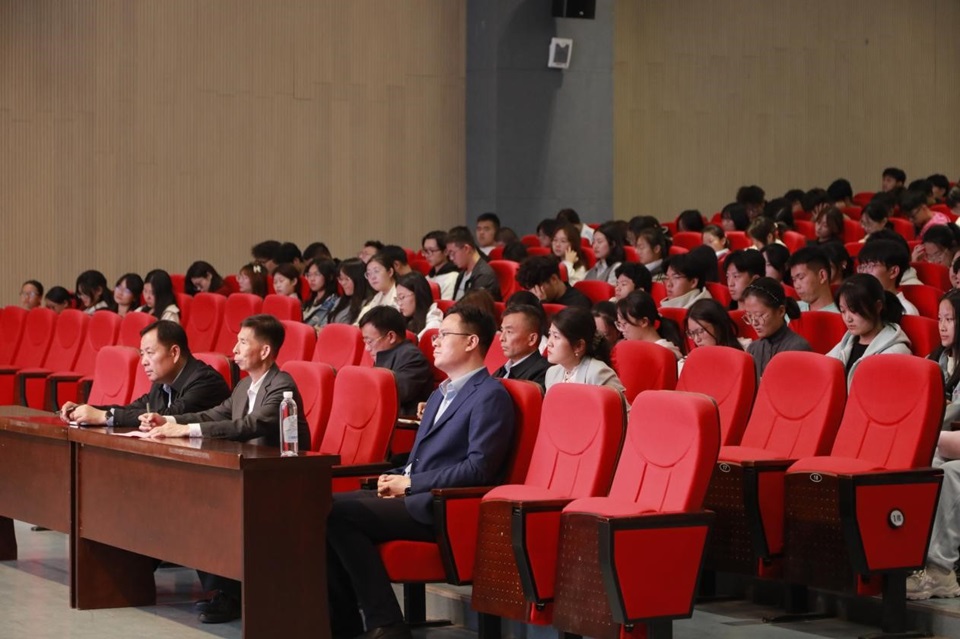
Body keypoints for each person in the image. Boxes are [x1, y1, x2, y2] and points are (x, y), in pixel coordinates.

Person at [325, 304, 515, 639]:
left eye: (444, 335)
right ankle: (343, 627)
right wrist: (396, 475)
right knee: (320, 506)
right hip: (414, 494)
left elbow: (479, 468)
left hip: (441, 507)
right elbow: (421, 459)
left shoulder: (490, 395)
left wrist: (411, 483)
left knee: (339, 514)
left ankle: (387, 623)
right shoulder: (440, 393)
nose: (435, 342)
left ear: (471, 342)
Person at [138, 315, 309, 623]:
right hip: (243, 474)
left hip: (277, 481)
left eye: (243, 342)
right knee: (184, 497)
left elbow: (249, 425)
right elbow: (214, 414)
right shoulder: (244, 386)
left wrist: (187, 431)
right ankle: (223, 589)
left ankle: (229, 594)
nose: (235, 349)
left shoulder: (282, 386)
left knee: (203, 503)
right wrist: (170, 421)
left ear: (265, 351)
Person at [60, 320, 231, 427]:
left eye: (150, 353)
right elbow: (132, 409)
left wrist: (103, 417)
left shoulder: (206, 382)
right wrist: (85, 409)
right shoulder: (162, 383)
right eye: (142, 354)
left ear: (174, 352)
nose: (143, 362)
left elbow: (166, 417)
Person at [907, 290, 960, 600]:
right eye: (939, 318)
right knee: (922, 465)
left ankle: (940, 572)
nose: (941, 326)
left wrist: (928, 434)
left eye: (950, 319)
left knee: (948, 473)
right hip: (944, 443)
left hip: (950, 448)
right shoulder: (936, 360)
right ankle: (905, 561)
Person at [826, 274, 910, 383]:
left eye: (854, 310)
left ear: (877, 307)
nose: (848, 319)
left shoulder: (895, 352)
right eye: (843, 311)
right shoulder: (846, 343)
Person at [359, 306, 434, 416]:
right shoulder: (388, 353)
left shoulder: (413, 358)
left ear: (391, 337)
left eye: (369, 341)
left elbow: (389, 393)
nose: (367, 348)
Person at [544, 307, 625, 393]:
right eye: (549, 334)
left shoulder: (597, 373)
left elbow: (617, 402)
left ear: (578, 346)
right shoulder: (552, 373)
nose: (549, 343)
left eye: (556, 337)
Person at [742, 278, 812, 377]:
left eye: (759, 315)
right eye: (749, 316)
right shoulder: (753, 348)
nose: (754, 322)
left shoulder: (798, 348)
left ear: (781, 311)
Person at [492, 304, 551, 388]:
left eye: (509, 332)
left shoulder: (544, 373)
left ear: (532, 339)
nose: (501, 338)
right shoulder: (503, 369)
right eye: (502, 330)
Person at [616, 290, 686, 360]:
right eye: (619, 324)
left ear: (644, 322)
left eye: (624, 323)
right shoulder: (630, 347)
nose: (621, 330)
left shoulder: (665, 352)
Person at [857, 239, 919, 315]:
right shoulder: (858, 302)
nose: (864, 272)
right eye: (862, 266)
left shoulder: (906, 310)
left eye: (870, 266)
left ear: (893, 271)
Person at [515, 255, 591, 309]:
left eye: (537, 287)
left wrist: (543, 305)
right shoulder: (531, 301)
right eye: (530, 289)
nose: (535, 293)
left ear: (553, 279)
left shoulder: (578, 303)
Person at [447, 226, 501, 301]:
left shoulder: (484, 275)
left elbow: (474, 306)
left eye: (453, 253)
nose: (451, 258)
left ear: (466, 249)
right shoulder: (461, 274)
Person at [788, 247, 839, 312]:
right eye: (794, 280)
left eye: (801, 278)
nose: (796, 286)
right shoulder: (792, 310)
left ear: (822, 276)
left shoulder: (843, 314)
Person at [395, 272, 442, 337]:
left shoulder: (433, 323)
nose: (399, 303)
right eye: (397, 298)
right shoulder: (406, 317)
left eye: (402, 297)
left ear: (418, 295)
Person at [330, 258, 373, 325]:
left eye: (347, 279)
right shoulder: (340, 301)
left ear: (358, 279)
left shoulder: (369, 304)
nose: (343, 283)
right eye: (341, 279)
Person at [302, 258, 341, 329]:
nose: (312, 279)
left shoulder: (335, 303)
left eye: (317, 274)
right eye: (309, 275)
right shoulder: (310, 299)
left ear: (330, 276)